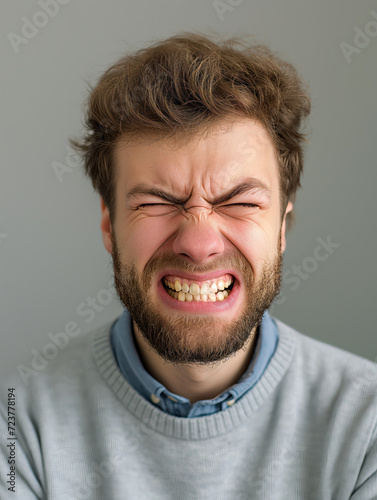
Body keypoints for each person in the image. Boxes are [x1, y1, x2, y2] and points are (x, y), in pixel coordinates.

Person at [1, 32, 376, 500]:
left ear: (282, 227)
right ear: (108, 225)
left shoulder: (368, 421)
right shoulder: (16, 419)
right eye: (156, 203)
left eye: (239, 201)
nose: (199, 245)